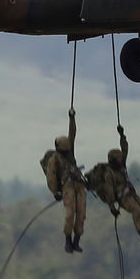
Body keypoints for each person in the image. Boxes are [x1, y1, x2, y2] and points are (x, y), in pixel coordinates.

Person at [93, 124, 140, 249]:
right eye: (118, 159)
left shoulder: (121, 165)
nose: (121, 160)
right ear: (113, 161)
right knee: (136, 211)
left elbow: (125, 149)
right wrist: (112, 207)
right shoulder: (109, 173)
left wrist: (122, 135)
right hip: (123, 198)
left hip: (131, 194)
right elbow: (110, 191)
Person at [44, 107, 86, 254]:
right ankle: (68, 241)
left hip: (79, 186)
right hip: (67, 187)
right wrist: (55, 192)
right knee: (70, 215)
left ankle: (76, 241)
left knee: (81, 214)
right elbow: (51, 176)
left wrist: (72, 118)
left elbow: (72, 134)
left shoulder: (70, 150)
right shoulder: (54, 159)